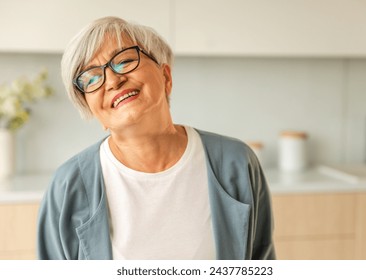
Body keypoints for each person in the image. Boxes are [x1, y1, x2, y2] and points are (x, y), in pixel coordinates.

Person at [37, 16, 275, 260]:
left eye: (125, 60)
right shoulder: (68, 185)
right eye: (91, 78)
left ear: (166, 77)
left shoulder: (236, 162)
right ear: (90, 109)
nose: (112, 81)